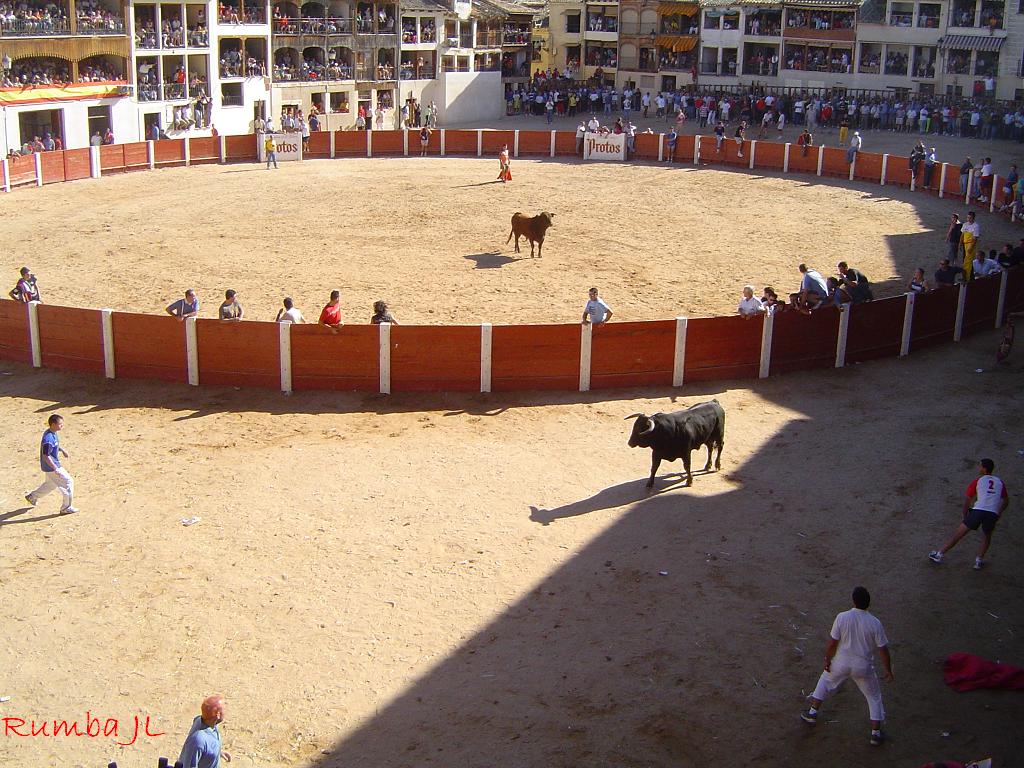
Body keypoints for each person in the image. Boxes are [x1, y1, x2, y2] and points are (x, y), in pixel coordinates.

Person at [801, 586, 893, 747]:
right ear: (868, 603)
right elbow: (883, 650)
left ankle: (812, 712)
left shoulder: (842, 617)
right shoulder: (875, 623)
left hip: (841, 662)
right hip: (863, 666)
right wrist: (888, 670)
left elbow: (832, 643)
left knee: (825, 680)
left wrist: (827, 660)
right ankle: (875, 733)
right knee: (874, 697)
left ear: (853, 601)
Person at [929, 458, 1009, 570]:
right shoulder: (1000, 482)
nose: (978, 468)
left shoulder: (978, 481)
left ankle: (939, 554)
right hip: (992, 514)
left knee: (958, 535)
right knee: (987, 537)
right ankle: (978, 561)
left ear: (984, 469)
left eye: (980, 466)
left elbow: (968, 500)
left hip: (978, 511)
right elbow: (1006, 500)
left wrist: (965, 514)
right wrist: (998, 513)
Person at [25, 414, 78, 515]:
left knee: (50, 484)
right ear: (53, 424)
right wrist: (55, 469)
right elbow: (46, 455)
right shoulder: (48, 439)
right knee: (68, 482)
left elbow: (55, 445)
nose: (62, 426)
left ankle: (32, 497)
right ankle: (66, 507)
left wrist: (62, 450)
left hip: (49, 466)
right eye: (60, 424)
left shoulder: (52, 432)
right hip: (51, 466)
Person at [178, 694, 231, 767]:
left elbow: (206, 748)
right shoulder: (198, 740)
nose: (225, 712)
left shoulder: (209, 723)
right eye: (224, 710)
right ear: (217, 715)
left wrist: (217, 753)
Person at [960, 211, 980, 280]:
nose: (968, 219)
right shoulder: (965, 224)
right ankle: (966, 276)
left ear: (973, 218)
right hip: (965, 244)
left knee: (968, 261)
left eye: (970, 218)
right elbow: (962, 235)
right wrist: (960, 243)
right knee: (965, 260)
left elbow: (975, 238)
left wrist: (971, 247)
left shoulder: (976, 226)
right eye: (968, 217)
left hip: (970, 245)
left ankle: (967, 277)